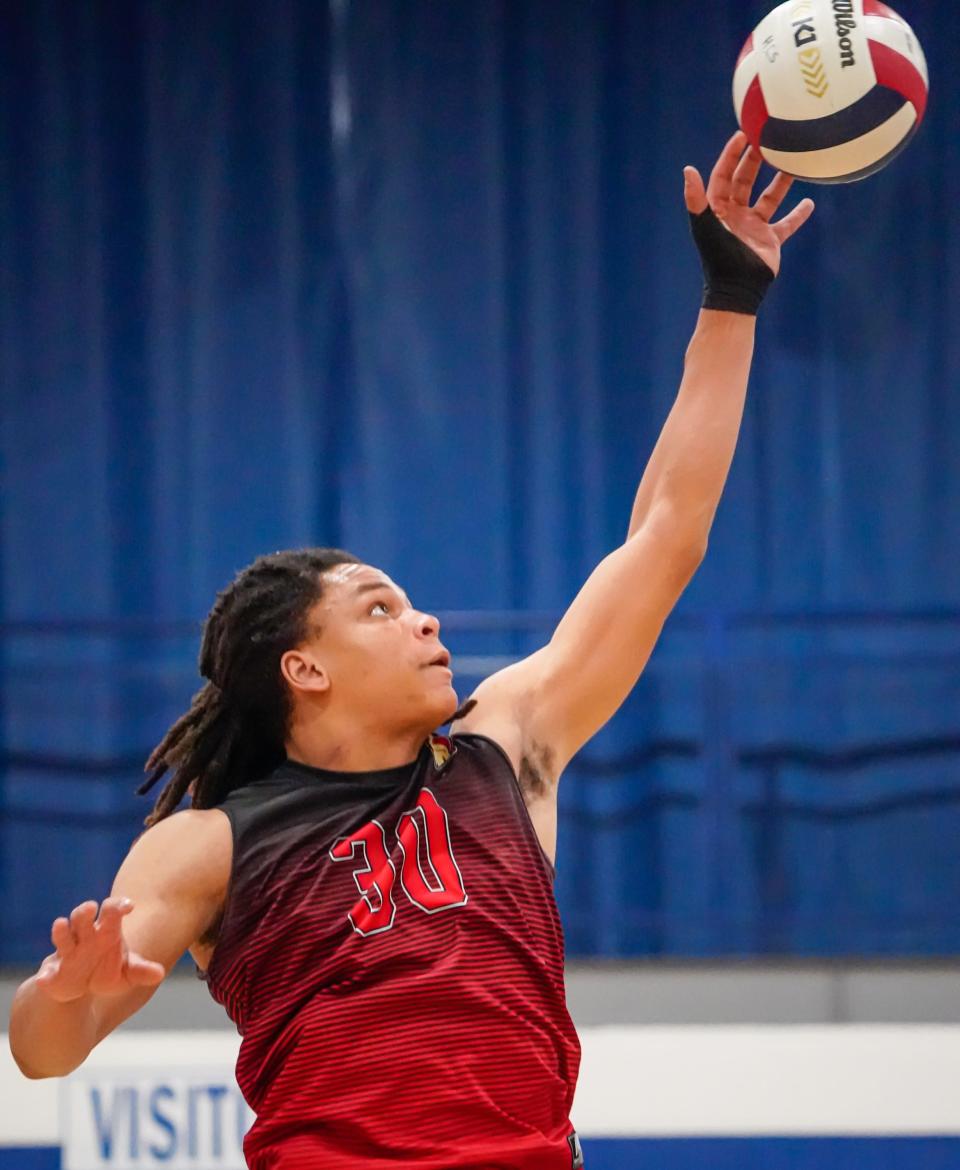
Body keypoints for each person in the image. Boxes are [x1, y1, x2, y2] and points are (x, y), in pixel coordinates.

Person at [8, 131, 814, 1169]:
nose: (427, 622)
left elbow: (667, 532)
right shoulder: (211, 844)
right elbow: (43, 1053)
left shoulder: (506, 748)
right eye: (381, 610)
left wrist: (731, 301)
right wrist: (59, 999)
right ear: (305, 667)